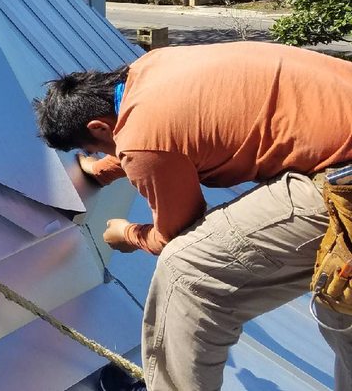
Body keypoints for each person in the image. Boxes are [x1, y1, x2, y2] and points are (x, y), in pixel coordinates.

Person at [33, 41, 352, 391]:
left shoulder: (142, 140)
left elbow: (173, 230)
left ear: (99, 127)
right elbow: (166, 136)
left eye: (94, 149)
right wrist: (105, 169)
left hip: (343, 177)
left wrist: (127, 235)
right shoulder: (150, 68)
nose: (102, 154)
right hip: (339, 146)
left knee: (187, 269)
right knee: (340, 305)